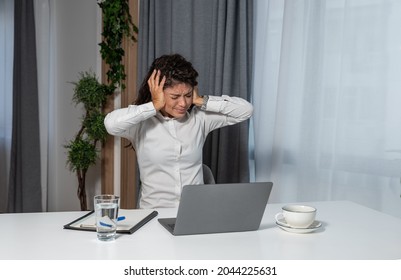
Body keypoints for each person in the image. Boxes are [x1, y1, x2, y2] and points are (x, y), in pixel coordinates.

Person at [104, 54, 253, 208]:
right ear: (158, 92)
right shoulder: (141, 123)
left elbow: (246, 110)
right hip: (153, 213)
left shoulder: (200, 119)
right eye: (175, 96)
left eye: (188, 95)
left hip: (195, 212)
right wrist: (154, 106)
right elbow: (110, 124)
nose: (183, 103)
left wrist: (200, 100)